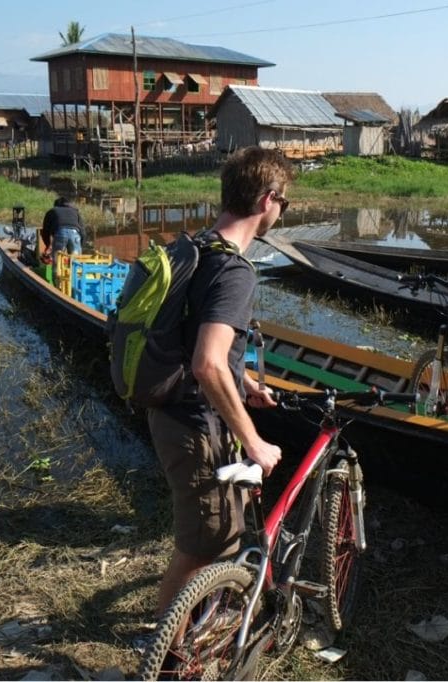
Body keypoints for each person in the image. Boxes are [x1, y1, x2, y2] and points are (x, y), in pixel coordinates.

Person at [147, 146, 293, 621]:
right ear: (267, 199)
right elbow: (208, 365)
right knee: (202, 547)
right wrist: (253, 441)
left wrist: (243, 380)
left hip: (169, 409)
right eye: (284, 202)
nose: (281, 210)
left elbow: (198, 345)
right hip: (194, 423)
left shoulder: (193, 247)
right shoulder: (233, 269)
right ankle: (166, 661)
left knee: (214, 536)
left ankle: (193, 627)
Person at [40, 195, 85, 259]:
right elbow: (83, 231)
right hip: (75, 234)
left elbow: (45, 231)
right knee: (76, 261)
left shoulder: (52, 211)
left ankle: (56, 268)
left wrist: (48, 245)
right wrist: (80, 245)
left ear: (56, 205)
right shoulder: (75, 211)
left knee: (57, 261)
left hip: (60, 233)